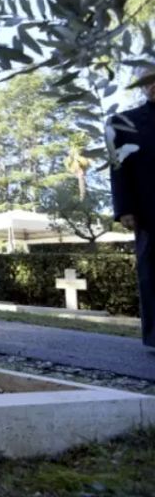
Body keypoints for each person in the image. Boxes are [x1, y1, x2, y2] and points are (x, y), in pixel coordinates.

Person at [108, 70, 155, 348]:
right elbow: (118, 168)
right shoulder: (124, 123)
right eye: (149, 80)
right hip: (148, 210)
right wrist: (124, 208)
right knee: (152, 272)